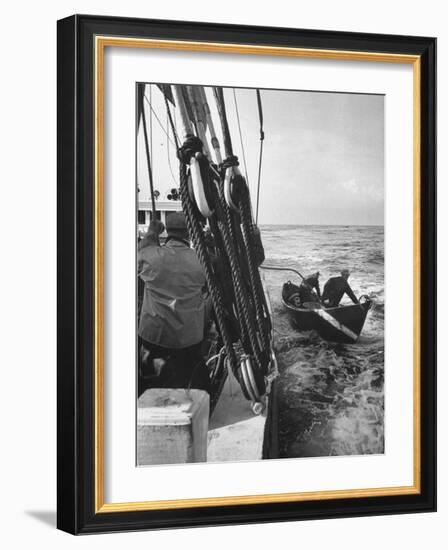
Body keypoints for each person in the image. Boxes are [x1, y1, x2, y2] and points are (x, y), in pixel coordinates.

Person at [138, 212, 210, 394]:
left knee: (149, 385)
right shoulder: (201, 260)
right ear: (189, 234)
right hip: (189, 339)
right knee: (187, 383)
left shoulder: (151, 256)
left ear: (167, 231)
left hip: (155, 337)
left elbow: (142, 250)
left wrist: (152, 232)